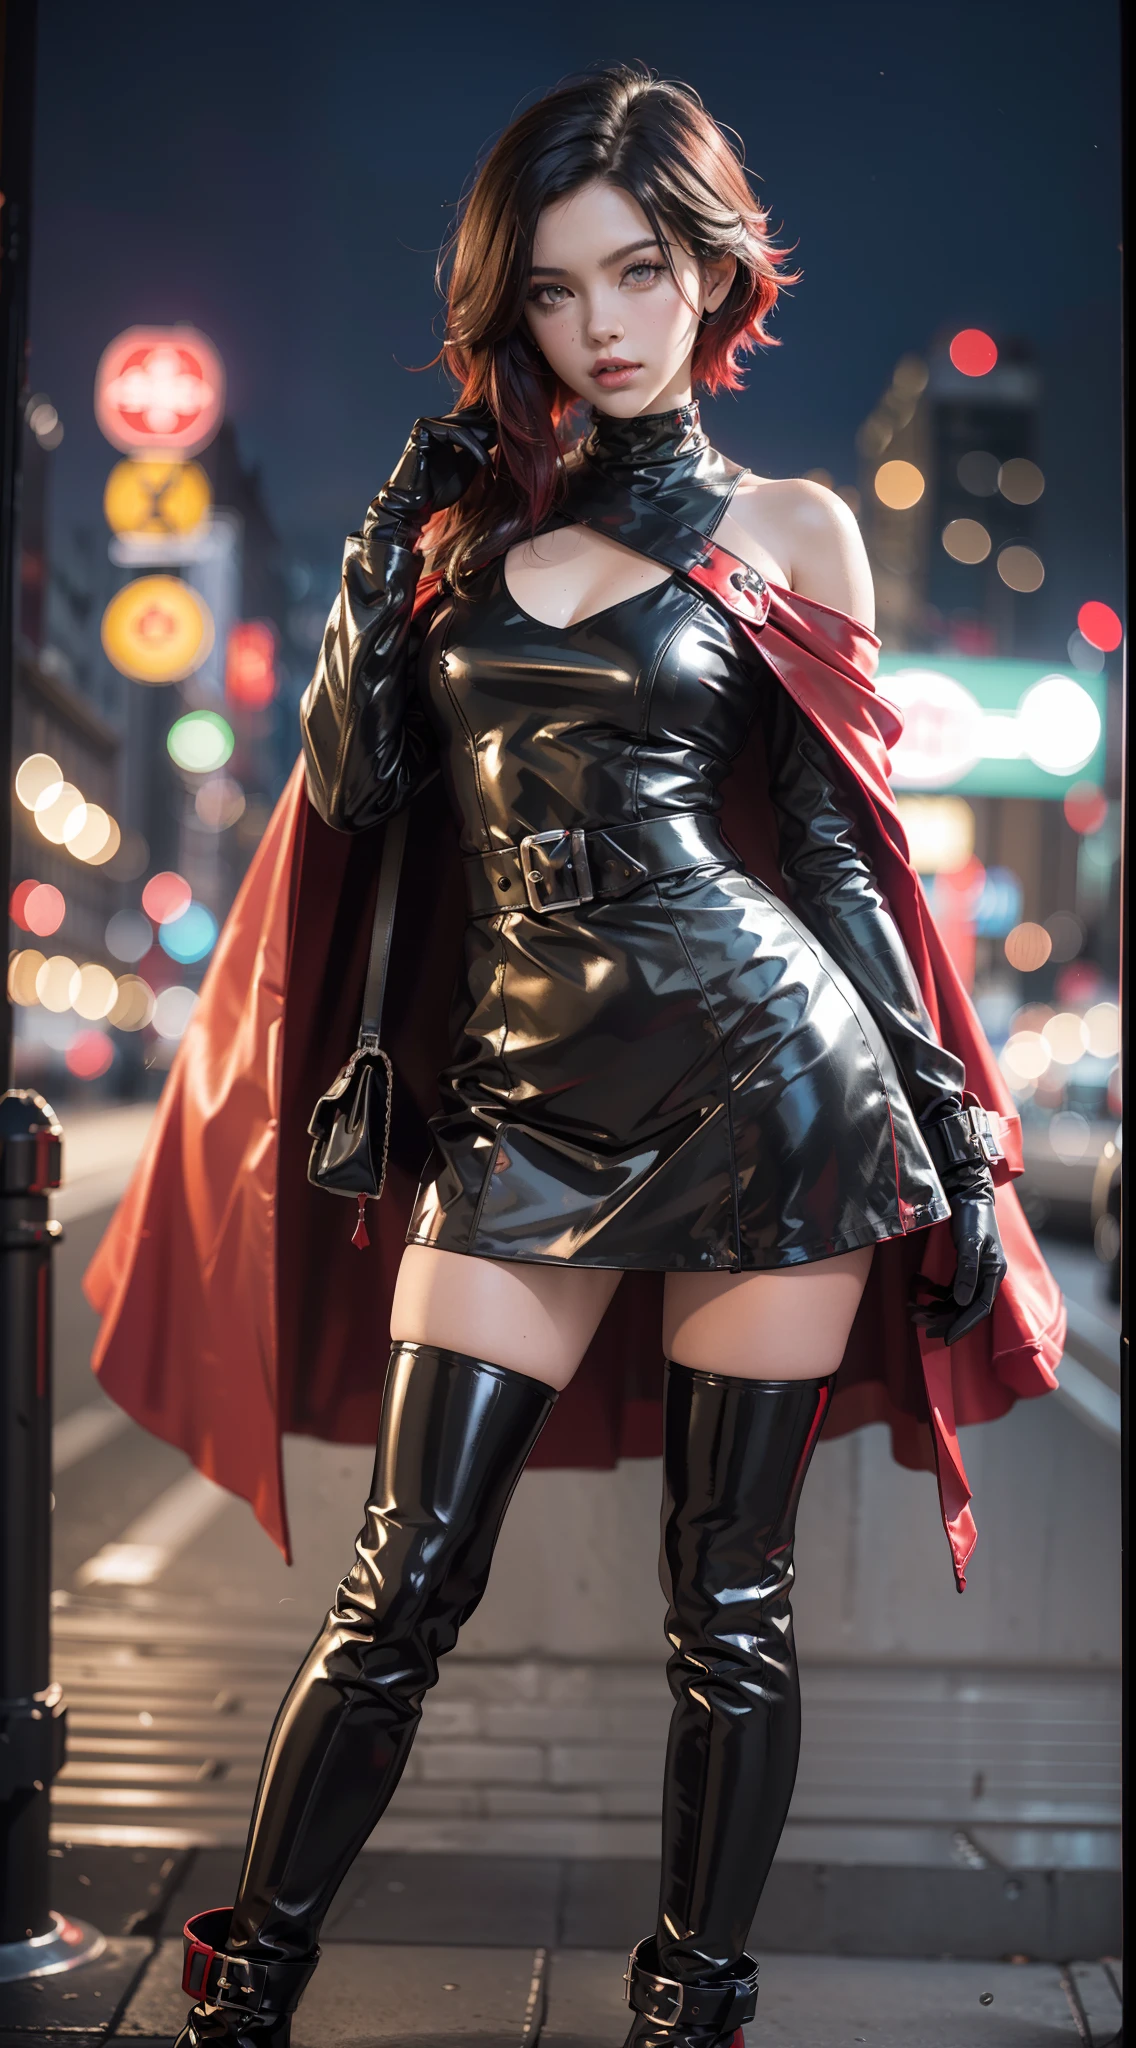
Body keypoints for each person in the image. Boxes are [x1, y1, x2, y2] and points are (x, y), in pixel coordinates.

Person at [146, 63, 1058, 2048]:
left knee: (725, 1613)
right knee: (402, 1589)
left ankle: (688, 2011)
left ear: (712, 271)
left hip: (770, 1086)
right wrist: (381, 553)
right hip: (516, 1102)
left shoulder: (792, 518)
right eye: (554, 292)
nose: (603, 324)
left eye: (637, 271)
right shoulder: (465, 519)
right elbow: (358, 781)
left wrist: (956, 1130)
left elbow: (834, 851)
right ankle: (247, 1995)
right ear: (511, 315)